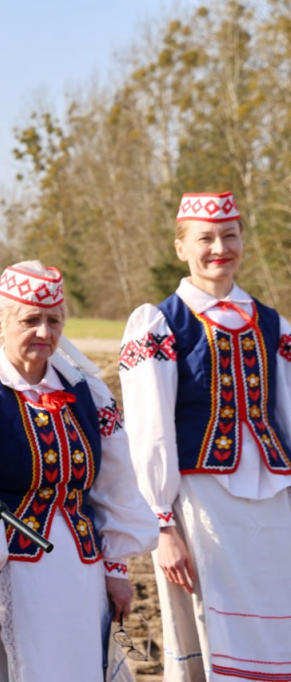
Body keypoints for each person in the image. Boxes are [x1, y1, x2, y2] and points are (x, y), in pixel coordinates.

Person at [0, 261, 158, 681]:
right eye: (30, 320)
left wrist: (116, 568)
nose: (45, 333)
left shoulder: (88, 395)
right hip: (6, 576)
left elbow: (114, 486)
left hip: (81, 572)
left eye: (54, 320)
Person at [118, 192, 291, 681]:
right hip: (201, 502)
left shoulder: (272, 323)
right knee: (214, 628)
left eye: (229, 236)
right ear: (181, 247)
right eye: (205, 238)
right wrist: (162, 524)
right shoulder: (160, 324)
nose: (220, 248)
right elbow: (149, 430)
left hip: (276, 502)